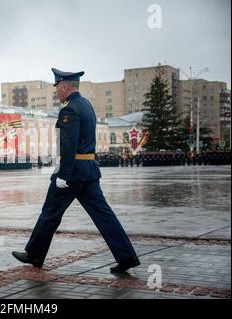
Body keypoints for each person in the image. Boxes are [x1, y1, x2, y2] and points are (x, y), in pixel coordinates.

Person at [12, 68, 140, 273]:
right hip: (88, 170)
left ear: (64, 87)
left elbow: (69, 144)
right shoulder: (87, 105)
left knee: (50, 213)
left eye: (57, 88)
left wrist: (62, 174)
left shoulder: (69, 109)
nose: (56, 92)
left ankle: (35, 253)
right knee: (104, 215)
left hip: (72, 172)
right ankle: (127, 256)